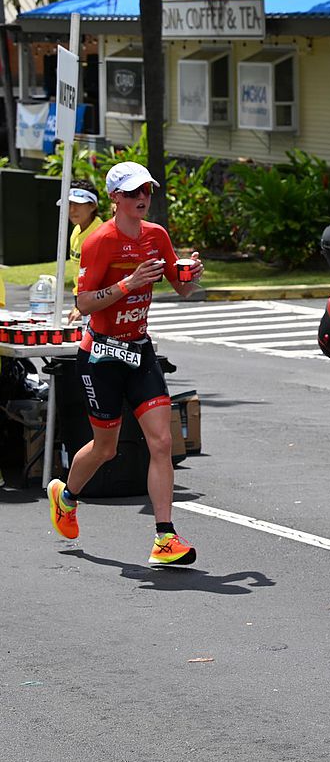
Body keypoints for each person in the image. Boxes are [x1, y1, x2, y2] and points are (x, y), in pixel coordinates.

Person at [47, 161, 207, 566]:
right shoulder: (100, 241)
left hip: (139, 351)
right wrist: (128, 283)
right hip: (100, 355)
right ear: (115, 197)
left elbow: (181, 287)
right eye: (134, 192)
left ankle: (164, 538)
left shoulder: (157, 236)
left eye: (147, 192)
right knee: (105, 448)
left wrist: (191, 275)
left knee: (162, 442)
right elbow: (83, 303)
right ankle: (66, 496)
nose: (143, 199)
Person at [61, 179, 104, 323]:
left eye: (78, 204)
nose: (72, 209)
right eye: (69, 204)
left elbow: (100, 279)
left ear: (92, 206)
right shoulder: (76, 230)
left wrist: (82, 307)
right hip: (82, 301)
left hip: (99, 303)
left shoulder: (101, 235)